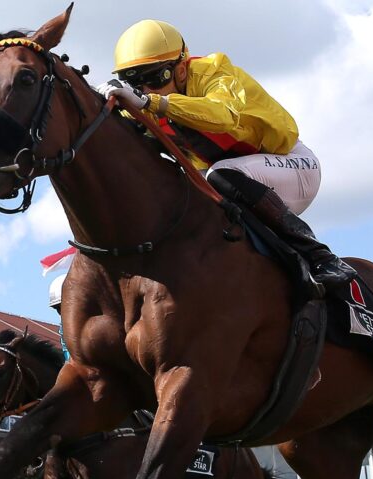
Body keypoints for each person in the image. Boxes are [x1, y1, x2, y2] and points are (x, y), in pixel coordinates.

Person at [97, 19, 353, 292]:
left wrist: (151, 102)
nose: (146, 89)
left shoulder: (214, 70)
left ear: (182, 68)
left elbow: (223, 116)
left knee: (219, 175)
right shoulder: (148, 102)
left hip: (293, 165)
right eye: (134, 81)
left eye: (154, 78)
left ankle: (320, 256)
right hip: (235, 176)